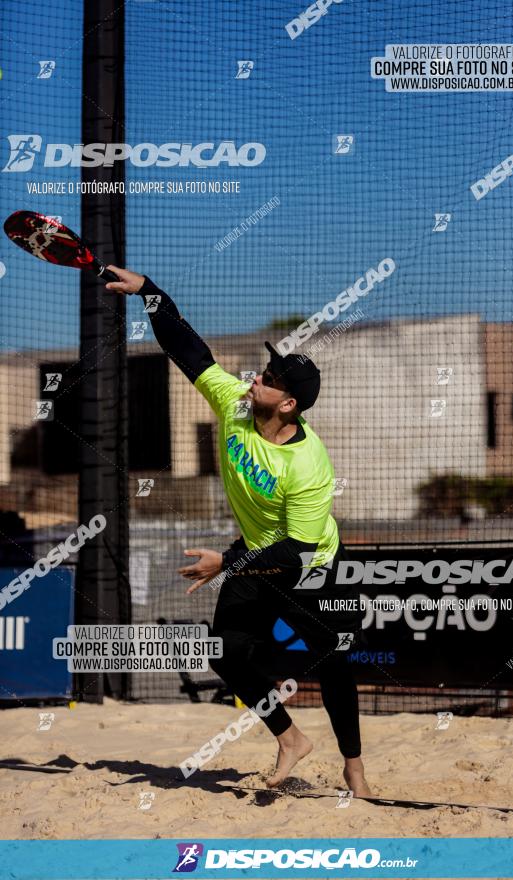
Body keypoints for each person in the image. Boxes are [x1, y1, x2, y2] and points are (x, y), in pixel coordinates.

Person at [106, 267, 371, 797]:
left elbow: (295, 553)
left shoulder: (309, 465)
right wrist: (152, 293)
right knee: (225, 653)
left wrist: (225, 564)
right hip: (253, 556)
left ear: (289, 403)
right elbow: (188, 349)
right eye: (262, 371)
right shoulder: (236, 404)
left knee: (335, 661)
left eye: (270, 379)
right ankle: (291, 738)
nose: (256, 378)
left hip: (309, 566)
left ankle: (356, 771)